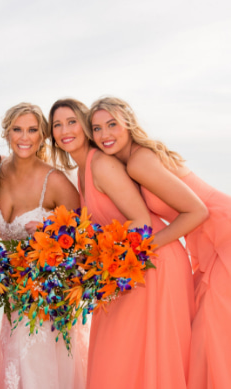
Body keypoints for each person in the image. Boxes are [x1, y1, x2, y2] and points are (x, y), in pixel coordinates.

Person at [48, 98, 198, 389]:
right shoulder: (82, 170)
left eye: (71, 122)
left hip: (154, 263)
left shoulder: (101, 164)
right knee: (118, 360)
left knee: (135, 360)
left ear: (85, 127)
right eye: (57, 124)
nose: (65, 129)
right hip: (126, 268)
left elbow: (141, 223)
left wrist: (101, 259)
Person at [89, 96, 228, 389]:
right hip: (208, 246)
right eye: (97, 128)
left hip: (223, 237)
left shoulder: (139, 162)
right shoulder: (129, 162)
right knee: (208, 336)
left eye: (112, 124)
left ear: (127, 123)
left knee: (211, 337)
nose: (105, 135)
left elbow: (198, 211)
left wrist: (143, 248)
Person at [0, 102, 88, 389]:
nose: (24, 137)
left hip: (47, 300)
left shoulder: (54, 181)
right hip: (12, 298)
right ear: (7, 132)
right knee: (13, 369)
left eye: (32, 130)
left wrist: (49, 234)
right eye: (17, 129)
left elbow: (81, 239)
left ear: (42, 135)